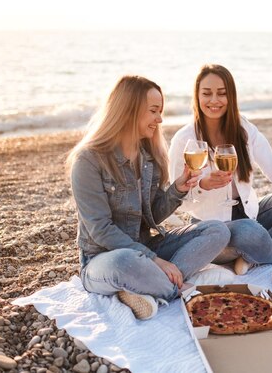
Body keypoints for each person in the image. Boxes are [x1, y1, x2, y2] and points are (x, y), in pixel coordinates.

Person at [67, 75, 230, 320]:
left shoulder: (149, 157)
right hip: (103, 258)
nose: (160, 119)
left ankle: (148, 287)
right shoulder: (88, 160)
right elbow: (100, 229)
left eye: (160, 111)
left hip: (145, 246)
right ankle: (172, 287)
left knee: (218, 231)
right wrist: (155, 260)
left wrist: (178, 189)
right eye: (154, 111)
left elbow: (152, 214)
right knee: (125, 262)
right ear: (129, 109)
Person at [168, 64, 272, 275]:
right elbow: (178, 201)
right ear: (197, 97)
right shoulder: (184, 140)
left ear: (231, 96)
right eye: (207, 93)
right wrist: (202, 185)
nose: (214, 100)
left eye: (222, 93)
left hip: (251, 216)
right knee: (247, 231)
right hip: (215, 233)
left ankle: (256, 254)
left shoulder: (244, 129)